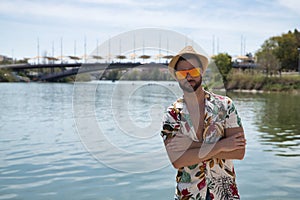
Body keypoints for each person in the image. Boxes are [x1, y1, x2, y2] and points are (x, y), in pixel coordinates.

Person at [161, 46, 246, 200]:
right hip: (189, 194)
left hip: (225, 193)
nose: (188, 77)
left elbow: (239, 151)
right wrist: (222, 145)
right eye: (182, 73)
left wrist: (190, 147)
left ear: (201, 72)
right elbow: (177, 160)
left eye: (193, 71)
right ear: (177, 77)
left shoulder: (225, 105)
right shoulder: (172, 114)